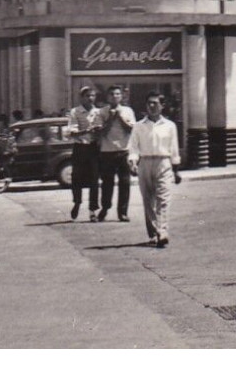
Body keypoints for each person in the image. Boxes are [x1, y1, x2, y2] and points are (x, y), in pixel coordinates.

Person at [127, 92, 182, 247]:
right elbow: (133, 146)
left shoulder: (170, 126)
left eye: (155, 103)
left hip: (163, 162)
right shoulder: (138, 126)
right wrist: (133, 162)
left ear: (162, 106)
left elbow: (174, 148)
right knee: (148, 200)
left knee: (163, 199)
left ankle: (162, 231)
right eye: (149, 103)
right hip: (145, 163)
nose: (152, 106)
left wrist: (175, 169)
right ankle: (153, 233)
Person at [96, 85, 135, 222]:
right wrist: (111, 119)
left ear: (121, 96)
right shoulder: (101, 112)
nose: (115, 96)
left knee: (125, 182)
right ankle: (105, 208)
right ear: (107, 97)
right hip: (107, 151)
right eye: (112, 94)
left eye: (117, 94)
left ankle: (122, 212)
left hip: (124, 151)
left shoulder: (128, 110)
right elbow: (100, 132)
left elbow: (132, 129)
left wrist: (120, 117)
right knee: (107, 183)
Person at [65, 86, 102, 220]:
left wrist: (99, 131)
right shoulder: (75, 112)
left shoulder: (98, 112)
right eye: (88, 96)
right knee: (76, 178)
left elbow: (102, 130)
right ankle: (77, 203)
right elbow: (71, 132)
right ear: (82, 97)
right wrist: (87, 131)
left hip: (93, 148)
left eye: (93, 96)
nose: (91, 98)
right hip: (80, 147)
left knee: (94, 179)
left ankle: (93, 210)